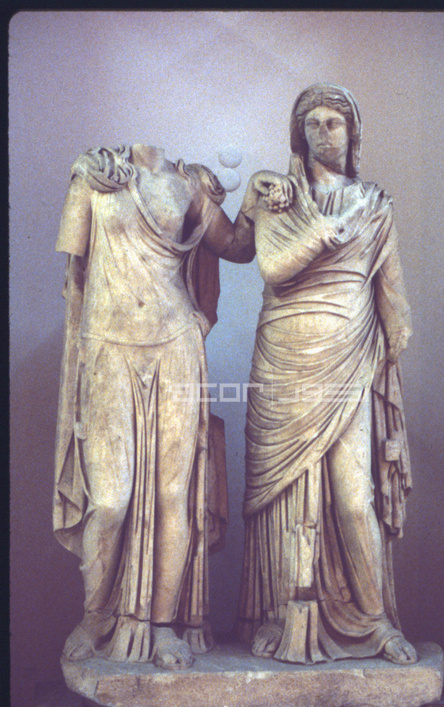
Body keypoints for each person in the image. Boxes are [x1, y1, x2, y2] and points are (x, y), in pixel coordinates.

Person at [54, 143, 280, 669]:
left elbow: (238, 247)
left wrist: (253, 193)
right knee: (110, 500)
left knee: (173, 495)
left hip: (176, 345)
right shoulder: (93, 174)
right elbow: (75, 276)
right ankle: (95, 617)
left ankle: (162, 627)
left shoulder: (188, 185)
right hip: (109, 346)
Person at [235, 84, 417, 665]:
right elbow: (268, 266)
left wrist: (391, 353)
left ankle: (376, 621)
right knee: (285, 497)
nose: (322, 132)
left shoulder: (376, 205)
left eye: (333, 122)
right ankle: (278, 616)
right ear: (299, 133)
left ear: (352, 132)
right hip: (283, 357)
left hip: (349, 361)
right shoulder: (278, 196)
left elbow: (392, 294)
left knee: (354, 500)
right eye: (311, 123)